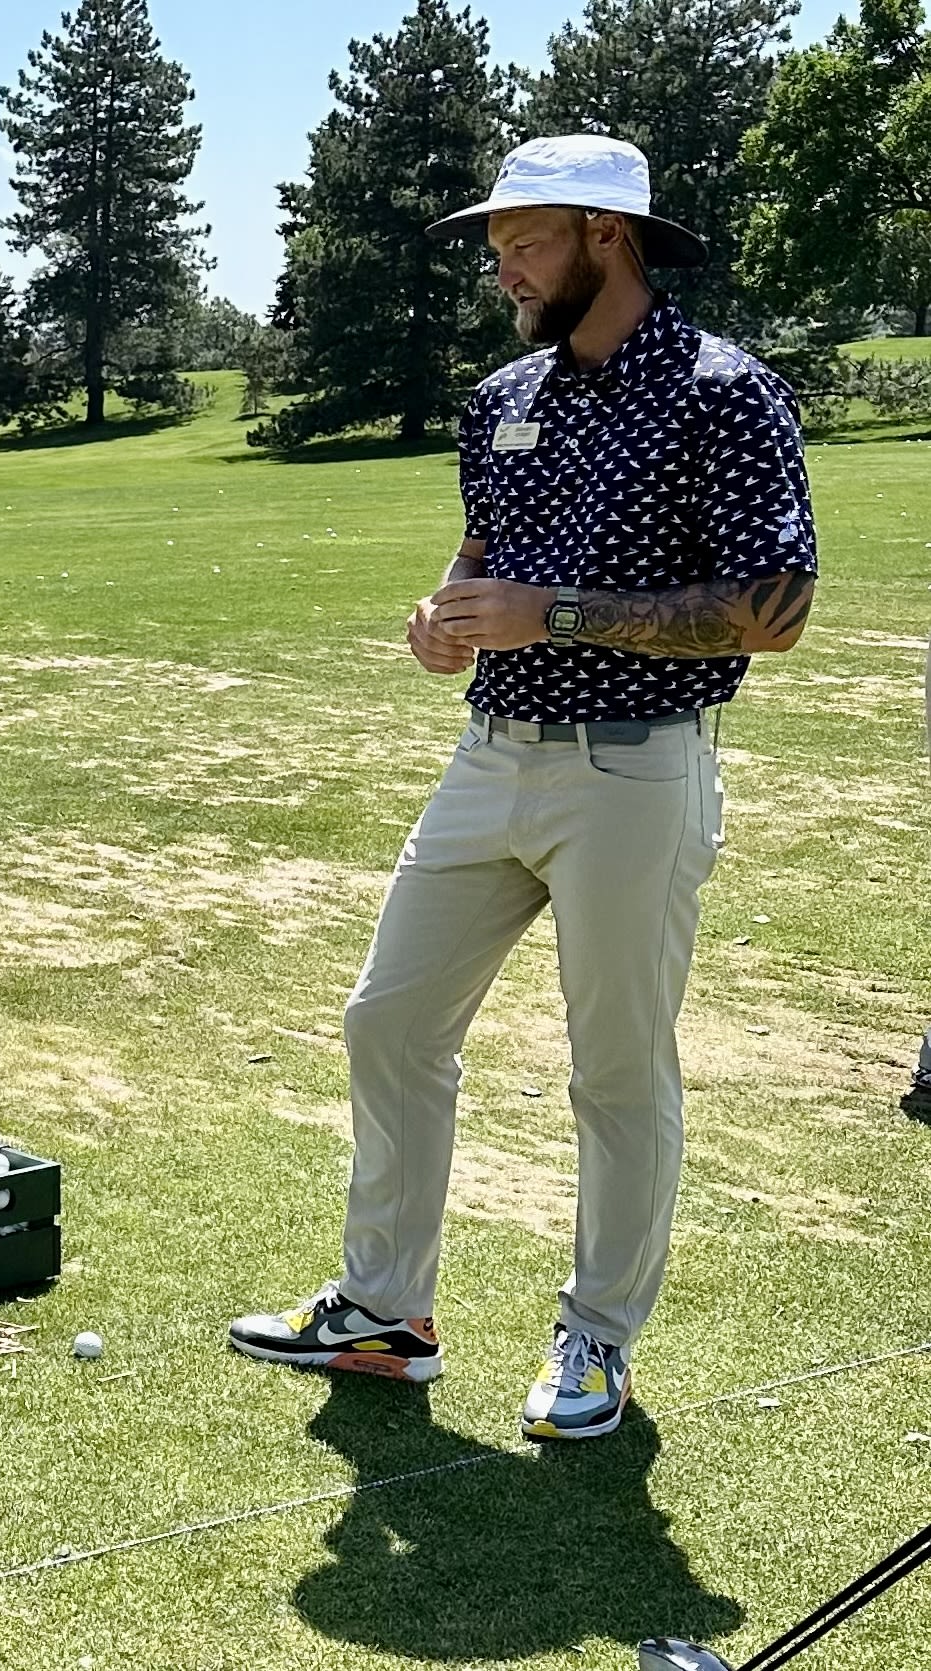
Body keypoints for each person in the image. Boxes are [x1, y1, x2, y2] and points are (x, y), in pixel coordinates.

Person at [227, 135, 818, 1440]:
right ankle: (385, 1309)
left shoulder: (722, 394)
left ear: (606, 239)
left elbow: (771, 609)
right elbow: (475, 562)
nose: (499, 266)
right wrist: (441, 618)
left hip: (632, 768)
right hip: (489, 754)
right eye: (493, 243)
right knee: (386, 1015)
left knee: (612, 1069)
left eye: (525, 240)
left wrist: (548, 612)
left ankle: (595, 1337)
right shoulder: (497, 398)